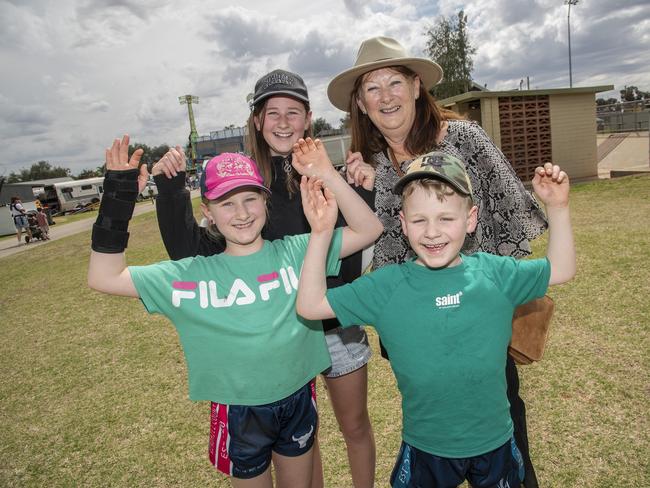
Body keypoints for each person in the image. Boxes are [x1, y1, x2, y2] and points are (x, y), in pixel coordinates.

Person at [87, 134, 383, 488]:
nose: (241, 213)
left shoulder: (297, 252)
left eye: (250, 199)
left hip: (298, 397)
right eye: (226, 203)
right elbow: (103, 276)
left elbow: (369, 229)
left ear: (265, 202)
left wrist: (328, 176)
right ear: (207, 212)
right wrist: (119, 194)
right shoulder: (193, 275)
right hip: (239, 412)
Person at [327, 36, 549, 487]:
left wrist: (493, 294)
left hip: (479, 317)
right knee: (434, 435)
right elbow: (377, 253)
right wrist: (365, 192)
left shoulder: (464, 138)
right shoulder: (367, 165)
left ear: (415, 87)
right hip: (417, 329)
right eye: (372, 88)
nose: (385, 96)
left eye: (395, 82)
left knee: (502, 427)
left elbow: (512, 214)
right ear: (360, 104)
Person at [152, 69, 377, 487]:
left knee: (355, 425)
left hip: (335, 321)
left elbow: (350, 263)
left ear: (308, 118)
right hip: (284, 330)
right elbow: (194, 253)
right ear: (257, 120)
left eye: (294, 112)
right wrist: (170, 193)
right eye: (272, 113)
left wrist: (355, 185)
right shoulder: (245, 184)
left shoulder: (328, 173)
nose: (284, 122)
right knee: (305, 439)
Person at [297, 153, 576, 488]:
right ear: (402, 222)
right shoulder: (387, 286)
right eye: (419, 220)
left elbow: (561, 269)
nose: (432, 232)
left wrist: (558, 208)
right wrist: (321, 233)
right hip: (426, 447)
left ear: (470, 219)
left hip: (495, 442)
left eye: (446, 218)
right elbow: (311, 305)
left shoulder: (494, 273)